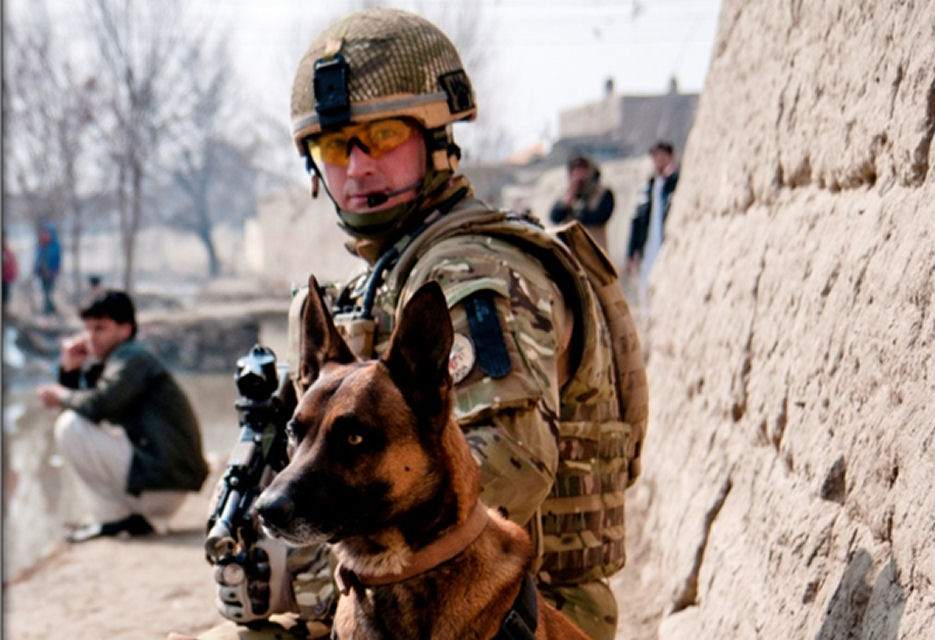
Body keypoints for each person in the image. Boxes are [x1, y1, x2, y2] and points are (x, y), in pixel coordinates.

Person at [180, 8, 647, 640]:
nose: (357, 167)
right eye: (333, 147)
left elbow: (508, 465)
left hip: (507, 609)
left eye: (381, 138)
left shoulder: (477, 271)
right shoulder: (384, 273)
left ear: (437, 139)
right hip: (398, 600)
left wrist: (306, 562)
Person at [35, 289, 208, 542]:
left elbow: (97, 406)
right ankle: (119, 518)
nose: (91, 337)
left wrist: (60, 393)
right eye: (88, 329)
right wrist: (71, 371)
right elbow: (90, 408)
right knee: (75, 422)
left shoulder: (132, 358)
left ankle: (112, 519)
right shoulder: (122, 360)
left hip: (162, 486)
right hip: (161, 485)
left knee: (70, 426)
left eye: (100, 328)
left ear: (125, 329)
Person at [626, 141, 680, 290]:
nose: (659, 162)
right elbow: (636, 222)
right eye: (656, 158)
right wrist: (631, 253)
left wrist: (671, 178)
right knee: (646, 287)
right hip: (648, 248)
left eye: (663, 158)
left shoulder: (675, 184)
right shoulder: (647, 188)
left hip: (667, 246)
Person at [549, 154, 615, 253]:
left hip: (595, 254)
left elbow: (600, 217)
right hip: (572, 256)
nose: (578, 174)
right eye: (574, 170)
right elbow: (555, 217)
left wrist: (578, 214)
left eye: (582, 169)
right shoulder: (566, 196)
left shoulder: (603, 193)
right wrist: (570, 196)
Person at [34, 222, 61, 315]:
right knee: (44, 291)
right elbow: (37, 259)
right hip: (42, 272)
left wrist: (54, 270)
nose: (45, 235)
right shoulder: (41, 245)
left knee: (49, 292)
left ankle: (49, 309)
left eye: (47, 233)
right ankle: (48, 309)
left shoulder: (55, 246)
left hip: (51, 273)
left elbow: (57, 260)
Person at [3, 239, 18, 309]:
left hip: (6, 278)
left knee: (5, 296)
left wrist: (13, 274)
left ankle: (4, 309)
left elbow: (13, 264)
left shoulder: (8, 252)